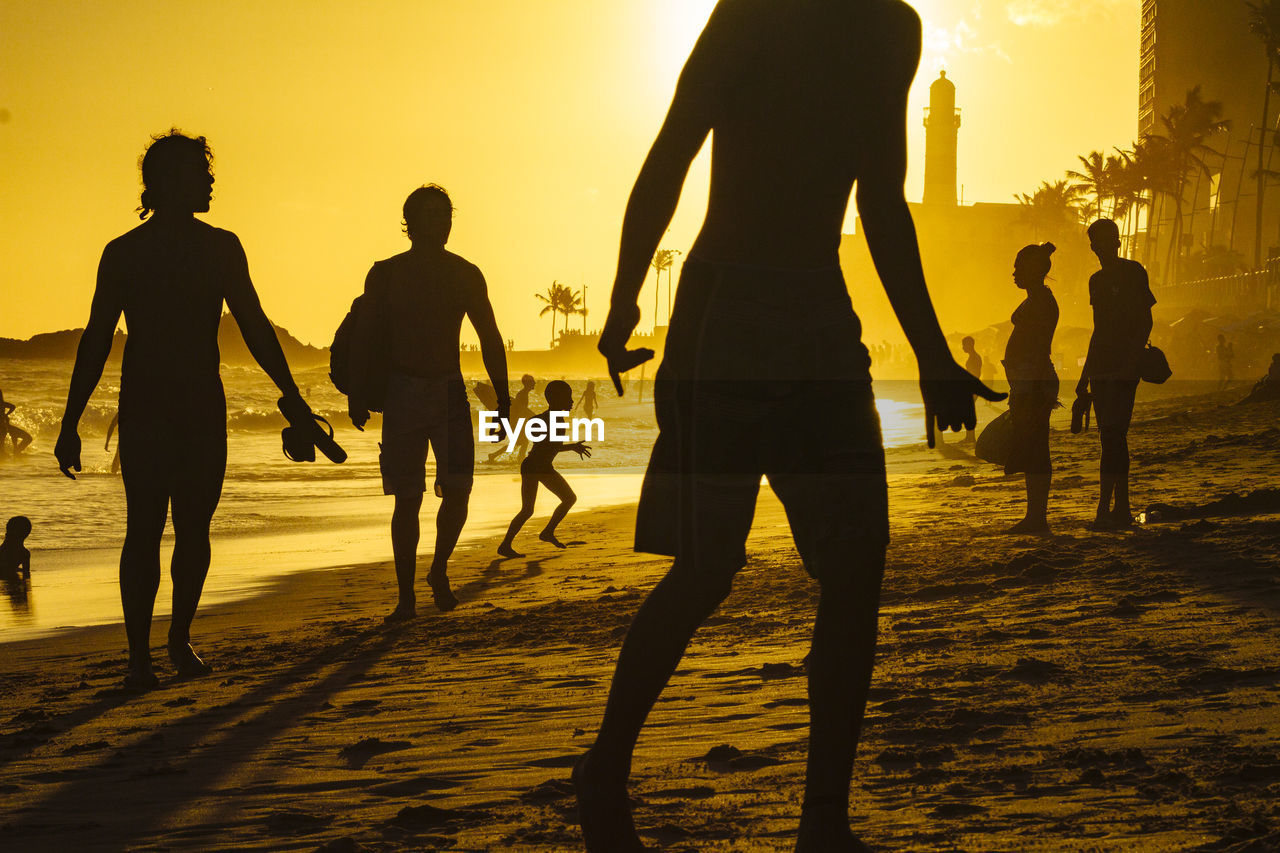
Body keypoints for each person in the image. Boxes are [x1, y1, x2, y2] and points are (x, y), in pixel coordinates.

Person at [577, 2, 1004, 850]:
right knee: (706, 569)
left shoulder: (892, 26)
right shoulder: (752, 13)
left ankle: (823, 822)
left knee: (856, 566)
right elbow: (672, 149)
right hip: (723, 313)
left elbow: (882, 200)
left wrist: (930, 349)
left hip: (817, 317)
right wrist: (626, 296)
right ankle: (605, 765)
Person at [54, 130, 318, 689]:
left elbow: (254, 326)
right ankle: (145, 656)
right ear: (170, 181)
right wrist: (69, 421)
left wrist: (294, 399)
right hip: (165, 404)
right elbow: (97, 339)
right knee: (156, 530)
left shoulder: (207, 247)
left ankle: (167, 645)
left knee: (180, 530)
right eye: (202, 172)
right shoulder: (135, 251)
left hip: (181, 404)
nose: (211, 181)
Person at [348, 185, 510, 622]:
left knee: (458, 491)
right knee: (407, 497)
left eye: (446, 214)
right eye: (431, 215)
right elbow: (364, 337)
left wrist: (503, 397)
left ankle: (438, 569)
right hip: (401, 392)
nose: (441, 222)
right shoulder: (385, 274)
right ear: (410, 222)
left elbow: (490, 337)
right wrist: (357, 394)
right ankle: (406, 597)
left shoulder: (465, 274)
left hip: (448, 392)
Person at [1074, 218, 1155, 531]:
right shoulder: (1095, 280)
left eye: (1111, 239)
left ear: (1118, 241)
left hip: (1123, 369)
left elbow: (1145, 322)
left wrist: (1130, 363)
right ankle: (1112, 509)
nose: (1106, 245)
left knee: (1114, 437)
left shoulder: (1133, 271)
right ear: (1093, 245)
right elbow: (1099, 330)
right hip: (1102, 369)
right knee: (1109, 439)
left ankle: (1113, 509)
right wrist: (1084, 378)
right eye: (1099, 241)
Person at [497, 380, 591, 557]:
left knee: (532, 508)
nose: (572, 401)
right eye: (568, 398)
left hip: (535, 466)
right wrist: (573, 447)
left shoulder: (546, 418)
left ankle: (512, 543)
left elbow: (546, 445)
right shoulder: (552, 420)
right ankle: (541, 534)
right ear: (557, 399)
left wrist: (571, 446)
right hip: (537, 467)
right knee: (565, 499)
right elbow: (551, 446)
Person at [1002, 244, 1059, 534]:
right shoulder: (1036, 299)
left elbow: (1038, 349)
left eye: (1018, 267)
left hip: (1034, 382)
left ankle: (1037, 517)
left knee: (1037, 447)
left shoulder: (1042, 302)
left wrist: (1028, 390)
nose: (1013, 273)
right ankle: (1034, 515)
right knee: (1032, 446)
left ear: (1035, 270)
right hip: (1028, 382)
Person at [0, 388, 33, 454]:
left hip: (6, 427)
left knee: (28, 438)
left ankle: (16, 452)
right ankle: (15, 452)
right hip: (3, 428)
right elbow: (12, 406)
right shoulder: (3, 404)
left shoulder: (2, 404)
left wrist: (6, 414)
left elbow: (12, 406)